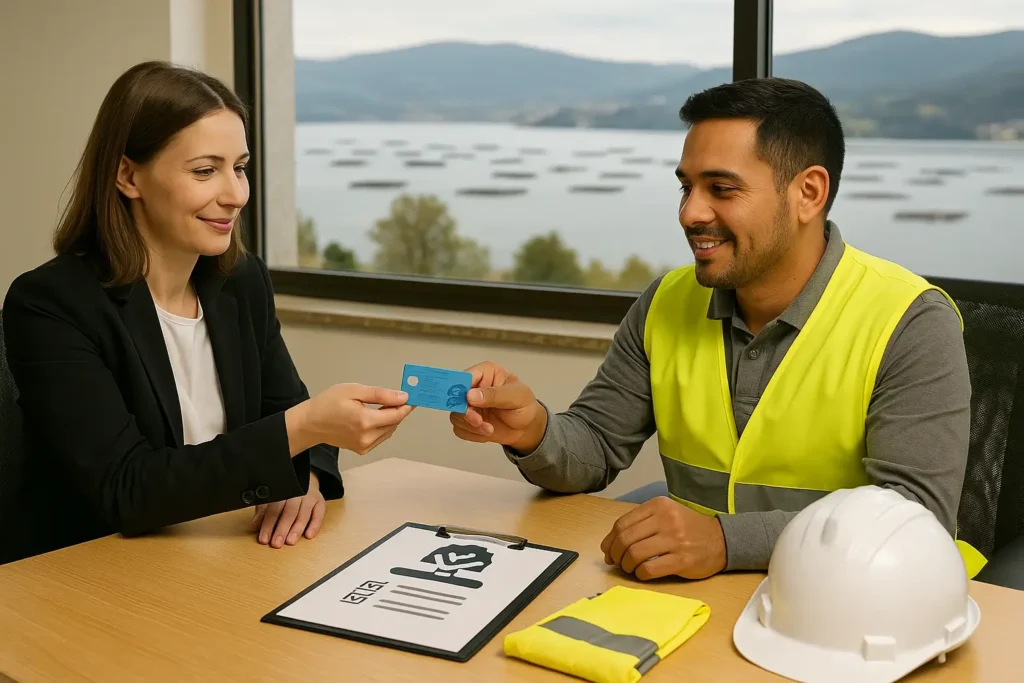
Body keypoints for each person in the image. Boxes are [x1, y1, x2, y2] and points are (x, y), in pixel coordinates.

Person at [450, 77, 977, 580]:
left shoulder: (909, 320)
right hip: (693, 596)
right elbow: (594, 449)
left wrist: (727, 541)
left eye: (722, 188)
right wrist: (532, 430)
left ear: (809, 193)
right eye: (686, 187)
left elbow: (915, 521)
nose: (689, 213)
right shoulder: (667, 301)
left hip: (856, 611)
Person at [1, 61, 412, 563]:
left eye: (239, 167)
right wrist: (303, 430)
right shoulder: (50, 304)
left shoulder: (240, 279)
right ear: (128, 175)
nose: (236, 194)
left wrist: (305, 475)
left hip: (223, 562)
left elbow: (289, 408)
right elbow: (128, 490)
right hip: (97, 577)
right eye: (205, 170)